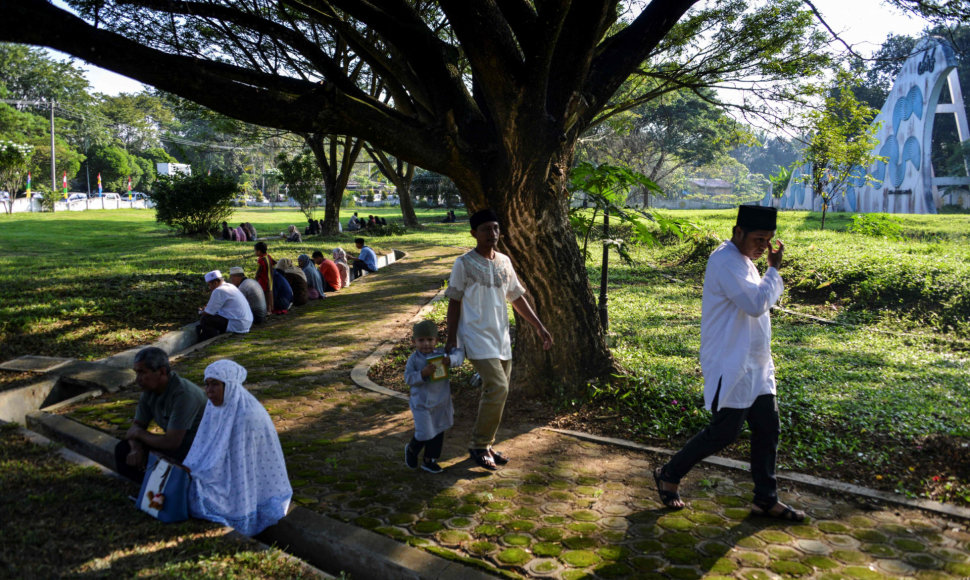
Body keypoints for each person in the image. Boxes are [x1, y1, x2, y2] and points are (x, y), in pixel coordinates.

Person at [654, 206, 805, 521]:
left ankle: (765, 498)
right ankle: (669, 473)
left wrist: (768, 272)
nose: (763, 246)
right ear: (738, 232)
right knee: (724, 432)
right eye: (758, 238)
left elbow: (757, 303)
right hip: (732, 361)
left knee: (768, 428)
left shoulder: (745, 262)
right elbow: (755, 304)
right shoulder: (725, 261)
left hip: (757, 364)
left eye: (768, 240)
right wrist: (774, 270)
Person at [445, 209, 553, 470]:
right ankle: (478, 445)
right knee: (498, 387)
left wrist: (539, 326)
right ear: (474, 233)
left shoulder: (504, 261)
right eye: (485, 229)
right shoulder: (464, 263)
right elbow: (454, 301)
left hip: (501, 337)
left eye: (495, 228)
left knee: (496, 393)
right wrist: (451, 340)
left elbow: (516, 297)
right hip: (474, 336)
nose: (492, 234)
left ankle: (487, 444)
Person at [183, 359, 292, 536]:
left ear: (230, 386)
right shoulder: (214, 407)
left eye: (215, 385)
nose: (209, 391)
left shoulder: (246, 415)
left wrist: (203, 475)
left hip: (241, 480)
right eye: (207, 384)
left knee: (200, 491)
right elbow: (205, 445)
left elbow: (239, 464)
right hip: (222, 470)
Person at [114, 347, 207, 482]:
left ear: (162, 372)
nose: (138, 379)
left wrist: (140, 434)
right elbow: (134, 429)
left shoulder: (184, 395)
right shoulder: (149, 391)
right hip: (174, 446)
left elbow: (172, 442)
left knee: (161, 459)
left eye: (142, 372)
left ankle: (164, 491)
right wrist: (136, 448)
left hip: (195, 451)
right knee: (124, 449)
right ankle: (144, 489)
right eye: (136, 373)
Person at [404, 320, 463, 474]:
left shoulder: (442, 354)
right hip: (421, 404)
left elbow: (459, 355)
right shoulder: (414, 359)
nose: (426, 344)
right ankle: (411, 449)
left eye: (430, 339)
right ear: (414, 341)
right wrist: (422, 374)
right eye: (421, 340)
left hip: (441, 402)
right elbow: (408, 378)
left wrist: (450, 360)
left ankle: (430, 460)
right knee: (424, 432)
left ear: (436, 340)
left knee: (438, 430)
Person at [197, 270, 253, 340]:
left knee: (205, 319)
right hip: (246, 323)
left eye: (209, 285)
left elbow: (209, 312)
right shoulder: (231, 286)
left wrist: (201, 311)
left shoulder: (218, 290)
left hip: (237, 324)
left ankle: (210, 339)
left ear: (215, 283)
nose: (209, 288)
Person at [254, 242, 275, 314]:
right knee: (270, 292)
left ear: (259, 251)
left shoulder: (261, 260)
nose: (255, 252)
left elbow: (259, 271)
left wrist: (255, 279)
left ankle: (268, 310)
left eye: (255, 251)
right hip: (270, 278)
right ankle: (271, 308)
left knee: (265, 294)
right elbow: (274, 262)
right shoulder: (268, 256)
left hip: (264, 280)